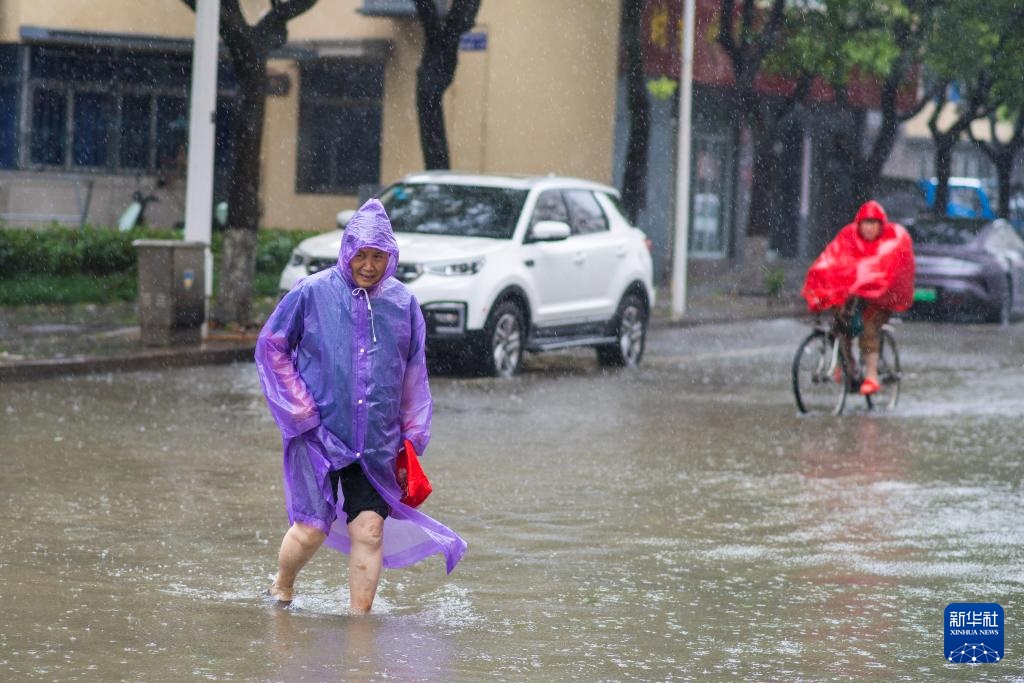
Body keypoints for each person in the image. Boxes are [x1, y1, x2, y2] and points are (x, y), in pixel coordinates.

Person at [254, 198, 466, 614]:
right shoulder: (311, 293)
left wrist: (413, 430)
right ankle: (282, 584)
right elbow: (272, 346)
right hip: (317, 434)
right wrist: (299, 411)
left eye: (378, 256)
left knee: (369, 530)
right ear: (347, 252)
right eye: (362, 255)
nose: (368, 265)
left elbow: (413, 371)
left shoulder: (404, 304)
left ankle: (359, 629)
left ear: (391, 257)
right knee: (311, 528)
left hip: (375, 441)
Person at [801, 199, 915, 395]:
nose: (869, 228)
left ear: (881, 225)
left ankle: (871, 375)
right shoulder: (848, 237)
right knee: (841, 327)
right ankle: (847, 367)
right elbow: (831, 259)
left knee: (868, 330)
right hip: (851, 299)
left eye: (873, 223)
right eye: (865, 223)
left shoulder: (892, 240)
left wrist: (864, 282)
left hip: (878, 302)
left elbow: (883, 268)